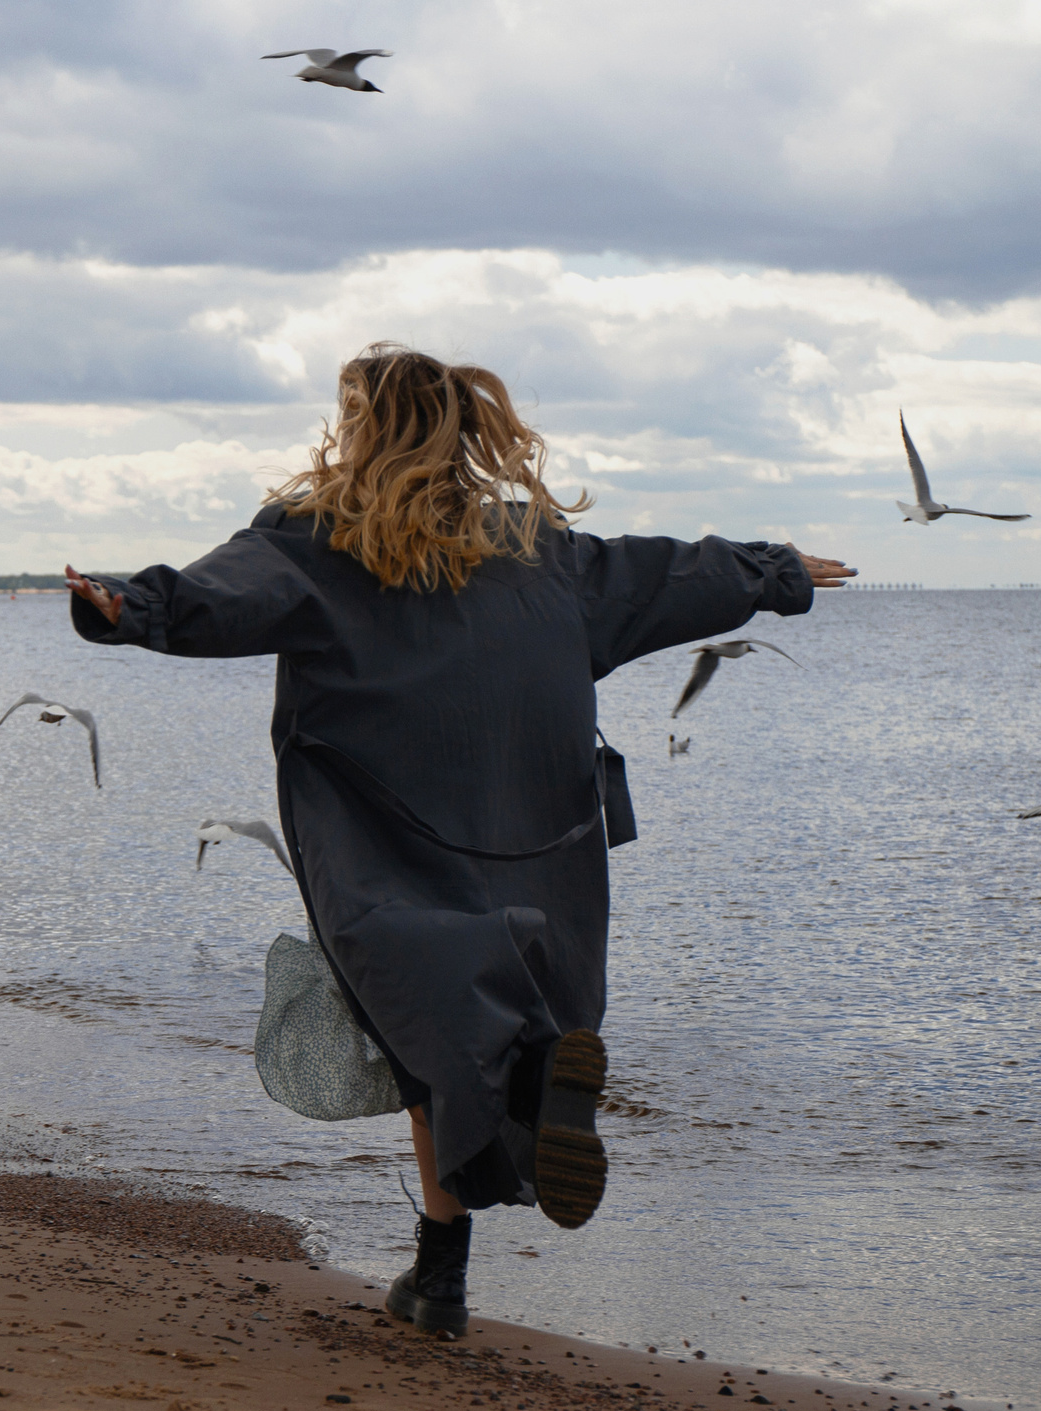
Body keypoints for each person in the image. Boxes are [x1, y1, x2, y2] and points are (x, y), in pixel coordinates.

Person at [67, 345, 853, 1337]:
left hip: (383, 830)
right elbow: (654, 578)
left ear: (363, 428)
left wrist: (129, 604)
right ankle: (446, 1255)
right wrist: (769, 570)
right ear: (462, 430)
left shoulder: (317, 540)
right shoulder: (535, 548)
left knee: (421, 1017)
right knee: (454, 1023)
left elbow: (222, 597)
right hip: (533, 825)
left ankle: (501, 1144)